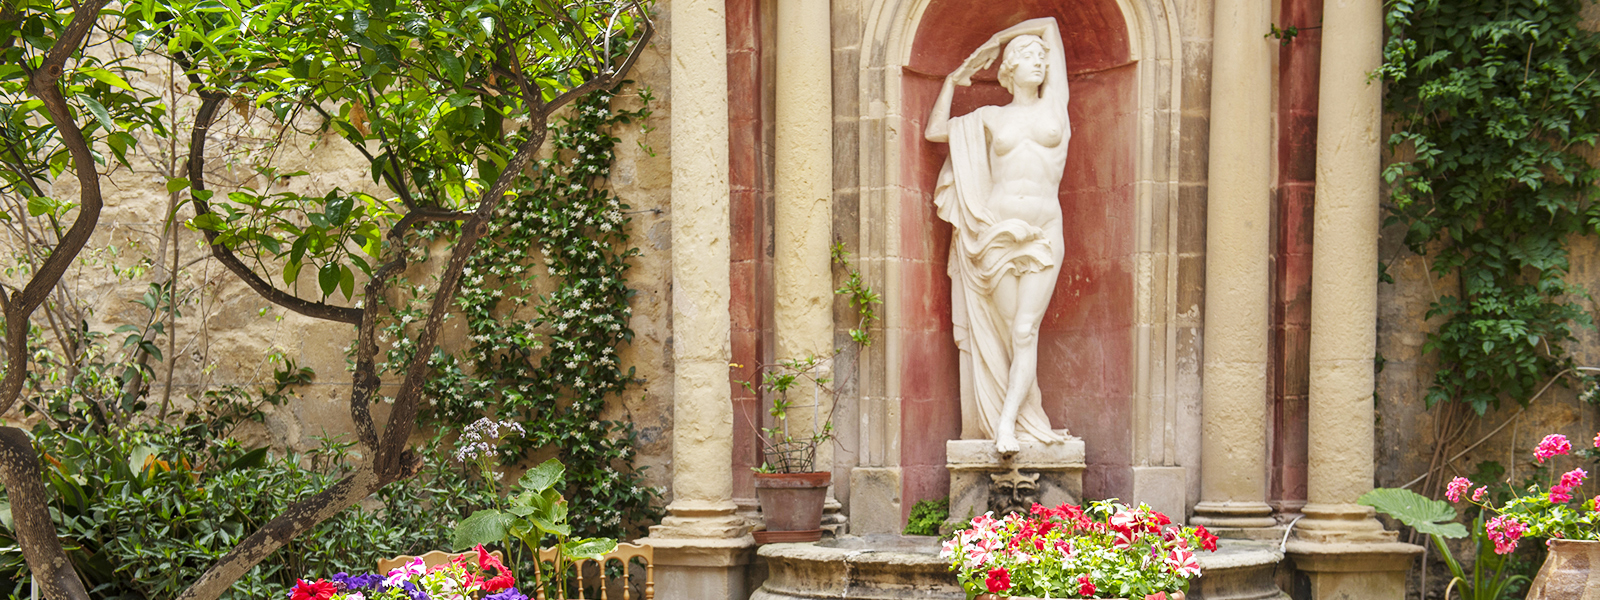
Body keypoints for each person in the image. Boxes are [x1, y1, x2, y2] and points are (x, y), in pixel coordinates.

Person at [925, 18, 1071, 455]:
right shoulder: (989, 117)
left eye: (1042, 59)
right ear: (1008, 70)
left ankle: (1007, 424)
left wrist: (997, 37)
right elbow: (936, 130)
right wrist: (953, 79)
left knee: (1025, 329)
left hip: (1043, 231)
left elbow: (1049, 26)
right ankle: (1028, 414)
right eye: (1028, 58)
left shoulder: (1055, 108)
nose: (1040, 64)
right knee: (1009, 333)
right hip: (996, 236)